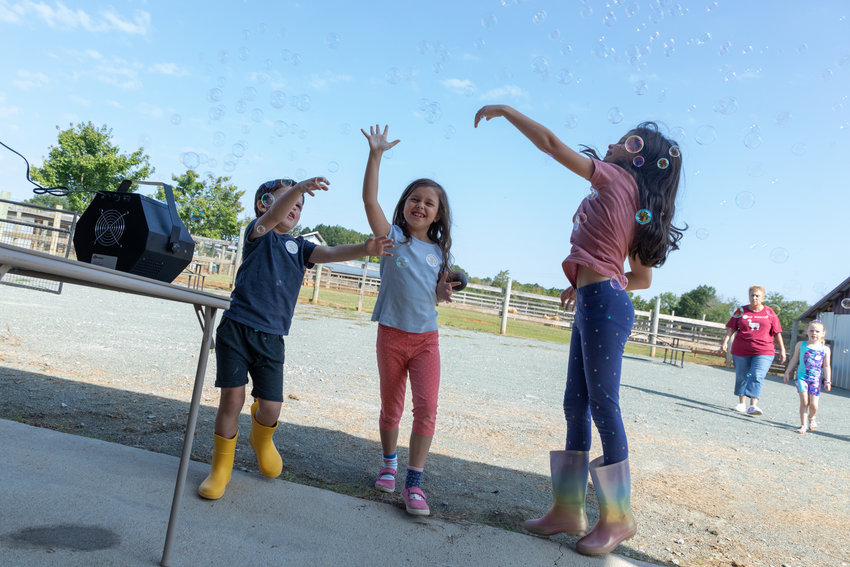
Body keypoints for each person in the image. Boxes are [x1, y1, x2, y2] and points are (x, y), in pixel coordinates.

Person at [474, 105, 684, 555]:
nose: (613, 142)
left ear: (636, 157)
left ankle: (619, 517)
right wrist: (591, 278)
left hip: (603, 303)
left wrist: (507, 111)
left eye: (626, 140)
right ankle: (569, 510)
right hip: (597, 300)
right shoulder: (636, 199)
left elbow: (550, 146)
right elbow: (640, 277)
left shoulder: (611, 176)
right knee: (576, 403)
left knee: (604, 405)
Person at [198, 177, 393, 500]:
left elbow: (329, 252)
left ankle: (260, 440)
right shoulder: (258, 233)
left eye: (300, 206)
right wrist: (298, 189)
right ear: (264, 204)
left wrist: (365, 248)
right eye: (289, 200)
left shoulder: (299, 247)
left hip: (272, 339)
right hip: (237, 330)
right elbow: (274, 217)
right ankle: (220, 470)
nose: (296, 207)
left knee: (271, 408)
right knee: (232, 401)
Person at [361, 124, 458, 516]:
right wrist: (376, 155)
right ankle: (388, 463)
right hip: (391, 336)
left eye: (428, 203)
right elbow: (369, 201)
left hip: (426, 341)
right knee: (391, 408)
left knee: (427, 408)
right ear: (404, 205)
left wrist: (443, 292)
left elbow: (434, 292)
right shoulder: (392, 239)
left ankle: (414, 484)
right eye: (414, 199)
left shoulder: (438, 252)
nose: (420, 206)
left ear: (438, 214)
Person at [720, 285, 786, 416]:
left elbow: (777, 332)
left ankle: (753, 405)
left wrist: (782, 349)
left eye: (757, 296)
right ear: (748, 296)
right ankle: (741, 403)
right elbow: (731, 328)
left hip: (764, 350)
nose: (754, 298)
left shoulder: (769, 312)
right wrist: (725, 341)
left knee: (757, 375)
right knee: (741, 375)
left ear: (763, 297)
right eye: (752, 295)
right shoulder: (740, 310)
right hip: (741, 350)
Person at [784, 320, 831, 433]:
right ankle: (803, 425)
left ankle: (812, 417)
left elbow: (826, 365)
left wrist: (828, 380)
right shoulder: (801, 345)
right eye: (811, 330)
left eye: (817, 331)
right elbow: (794, 359)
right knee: (804, 402)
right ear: (807, 332)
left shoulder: (825, 349)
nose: (814, 333)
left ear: (823, 333)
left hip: (815, 380)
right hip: (801, 377)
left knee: (814, 405)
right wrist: (787, 372)